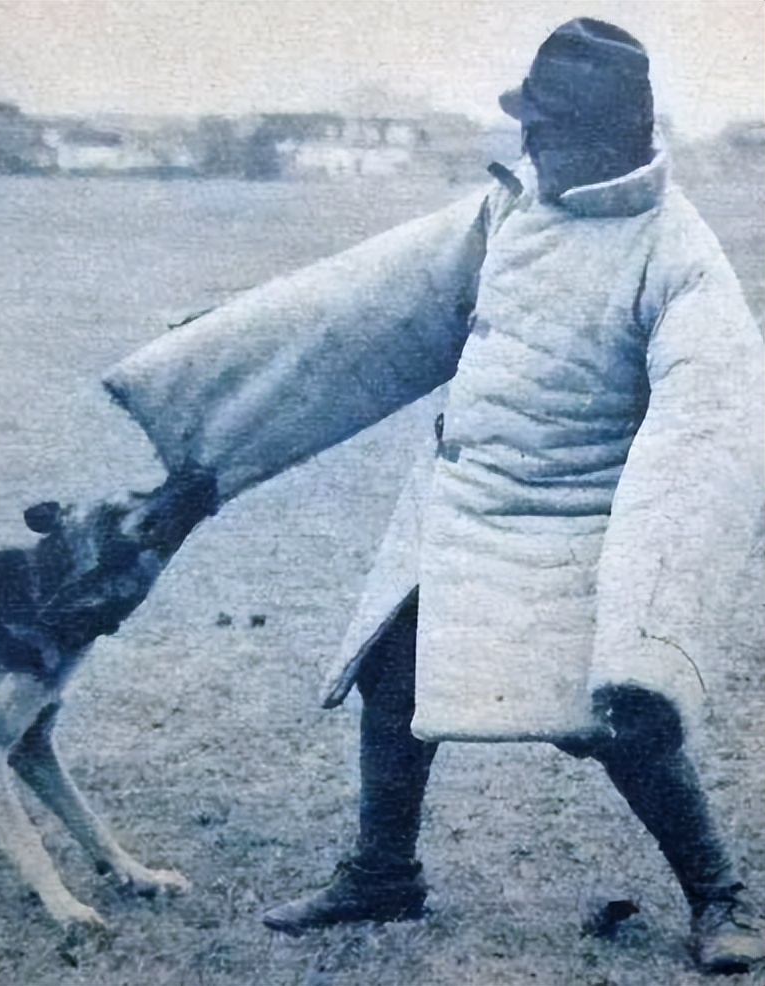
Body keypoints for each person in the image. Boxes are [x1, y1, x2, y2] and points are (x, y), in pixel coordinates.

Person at [105, 18, 765, 975]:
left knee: (622, 720)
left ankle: (721, 898)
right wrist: (210, 446)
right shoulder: (510, 209)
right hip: (457, 503)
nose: (526, 141)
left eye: (544, 125)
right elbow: (353, 317)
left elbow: (701, 448)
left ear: (601, 133)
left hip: (577, 523)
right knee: (392, 672)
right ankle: (382, 874)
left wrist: (651, 635)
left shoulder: (683, 262)